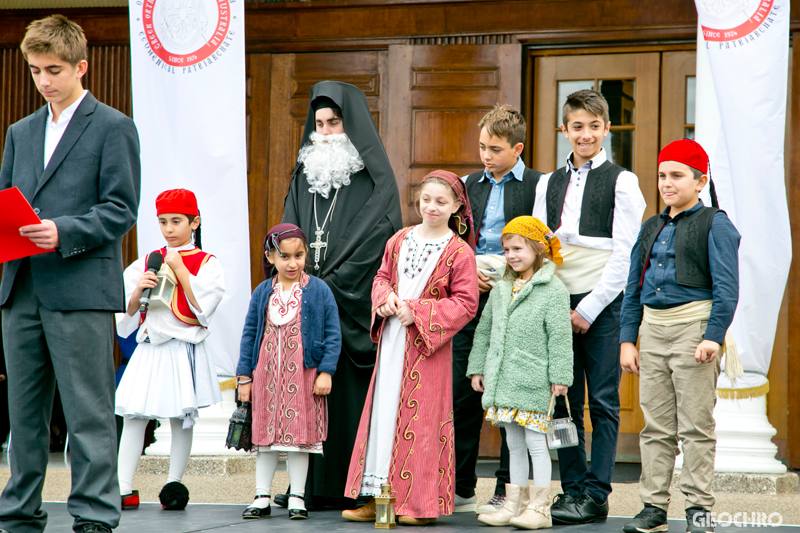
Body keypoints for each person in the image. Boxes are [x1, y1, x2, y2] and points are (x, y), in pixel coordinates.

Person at [0, 15, 140, 533]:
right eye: (35, 70)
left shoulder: (113, 126)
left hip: (80, 287)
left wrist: (65, 231)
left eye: (53, 69)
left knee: (88, 412)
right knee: (24, 413)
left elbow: (122, 208)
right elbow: (8, 201)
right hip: (21, 289)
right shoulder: (21, 131)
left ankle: (95, 513)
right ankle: (19, 509)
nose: (43, 81)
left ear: (82, 66)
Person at [280, 81, 403, 509]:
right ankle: (307, 488)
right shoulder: (304, 175)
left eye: (335, 123)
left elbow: (380, 240)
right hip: (306, 297)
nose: (327, 132)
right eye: (320, 124)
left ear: (352, 127)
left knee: (347, 396)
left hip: (350, 304)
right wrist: (298, 278)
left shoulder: (375, 180)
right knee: (309, 393)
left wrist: (329, 286)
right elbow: (286, 232)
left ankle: (353, 487)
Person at [532, 89, 646, 524]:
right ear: (565, 130)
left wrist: (591, 308)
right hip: (558, 298)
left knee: (601, 400)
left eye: (593, 126)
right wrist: (552, 301)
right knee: (562, 399)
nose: (585, 134)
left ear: (606, 129)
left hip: (603, 302)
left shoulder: (623, 181)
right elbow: (543, 245)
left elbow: (626, 253)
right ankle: (572, 487)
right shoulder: (548, 182)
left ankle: (597, 492)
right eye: (576, 126)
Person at [342, 170, 479, 526]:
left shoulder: (459, 252)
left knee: (420, 419)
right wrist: (384, 299)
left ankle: (418, 504)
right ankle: (378, 496)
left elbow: (466, 303)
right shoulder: (399, 239)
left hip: (425, 346)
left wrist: (415, 311)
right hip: (391, 341)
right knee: (383, 415)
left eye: (441, 201)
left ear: (456, 206)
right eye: (426, 200)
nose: (431, 207)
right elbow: (381, 277)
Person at [620, 140, 740, 533]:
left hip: (694, 330)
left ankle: (698, 509)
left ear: (700, 180)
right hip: (653, 331)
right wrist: (627, 339)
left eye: (676, 175)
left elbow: (727, 287)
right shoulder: (651, 226)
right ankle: (653, 509)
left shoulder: (715, 223)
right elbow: (633, 286)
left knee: (695, 427)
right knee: (655, 427)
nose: (666, 183)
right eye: (661, 175)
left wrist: (713, 336)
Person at [455, 104, 543, 514]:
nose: (485, 156)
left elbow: (543, 244)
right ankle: (459, 484)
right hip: (468, 295)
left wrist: (506, 271)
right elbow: (454, 241)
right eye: (481, 147)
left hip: (514, 296)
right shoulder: (468, 184)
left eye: (494, 149)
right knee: (463, 391)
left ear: (517, 148)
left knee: (512, 392)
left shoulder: (538, 186)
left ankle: (508, 489)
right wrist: (468, 270)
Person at [114, 189, 224, 511]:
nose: (169, 229)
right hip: (150, 347)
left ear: (195, 222)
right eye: (163, 222)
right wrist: (138, 290)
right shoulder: (149, 259)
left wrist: (182, 271)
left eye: (176, 221)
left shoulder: (207, 263)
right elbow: (126, 314)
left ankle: (174, 485)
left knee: (180, 417)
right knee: (135, 415)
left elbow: (205, 308)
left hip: (182, 347)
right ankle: (123, 486)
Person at [467, 216, 573, 529]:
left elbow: (559, 336)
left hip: (534, 379)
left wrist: (560, 376)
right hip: (504, 379)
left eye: (518, 248)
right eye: (507, 249)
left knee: (536, 444)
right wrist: (477, 367)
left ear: (539, 249)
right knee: (512, 444)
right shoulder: (501, 287)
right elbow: (485, 330)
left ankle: (539, 508)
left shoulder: (553, 290)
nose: (511, 255)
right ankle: (513, 504)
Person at [236, 223, 341, 520]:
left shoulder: (319, 291)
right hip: (267, 377)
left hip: (304, 377)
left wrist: (326, 371)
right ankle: (261, 495)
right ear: (271, 257)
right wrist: (245, 377)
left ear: (306, 253)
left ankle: (297, 495)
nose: (292, 263)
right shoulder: (262, 293)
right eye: (284, 256)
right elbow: (250, 334)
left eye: (299, 255)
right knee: (265, 440)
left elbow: (333, 333)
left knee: (299, 440)